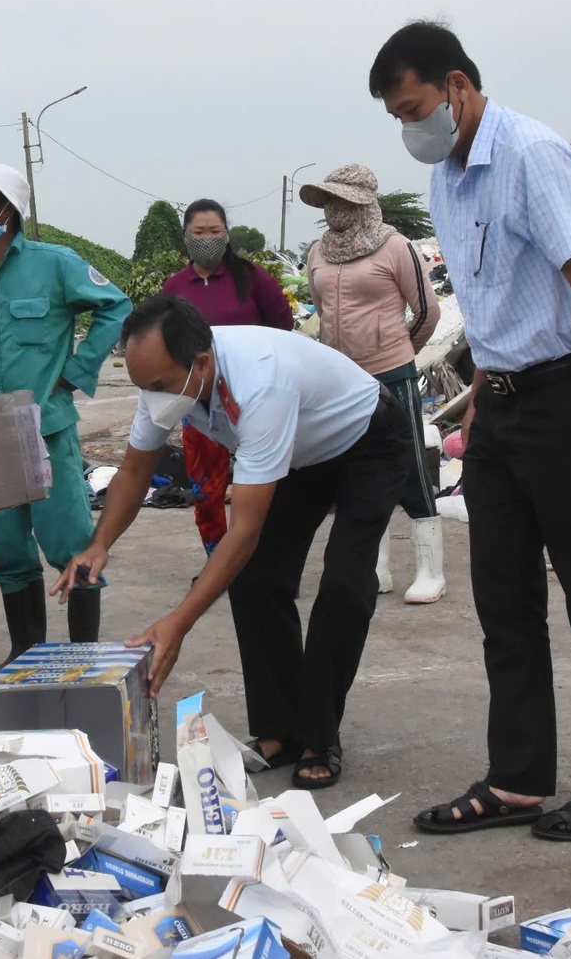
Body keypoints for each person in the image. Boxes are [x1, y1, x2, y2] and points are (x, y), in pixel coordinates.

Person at [370, 20, 571, 843]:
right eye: (396, 116)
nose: (410, 128)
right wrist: (483, 399)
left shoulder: (532, 154)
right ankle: (519, 780)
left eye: (416, 107)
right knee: (504, 599)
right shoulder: (448, 181)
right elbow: (497, 299)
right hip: (504, 406)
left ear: (457, 85)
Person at [54, 295, 417, 789]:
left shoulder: (260, 382)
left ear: (201, 362)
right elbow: (136, 468)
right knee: (256, 581)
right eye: (144, 388)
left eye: (159, 386)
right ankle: (280, 730)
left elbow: (242, 531)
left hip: (367, 439)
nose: (153, 398)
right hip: (300, 453)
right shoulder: (169, 382)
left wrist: (178, 622)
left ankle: (318, 735)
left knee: (344, 585)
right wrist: (100, 544)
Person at [0, 162, 132, 664]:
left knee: (73, 544)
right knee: (8, 555)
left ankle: (83, 657)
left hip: (44, 427)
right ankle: (26, 653)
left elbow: (117, 306)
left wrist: (77, 371)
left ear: (7, 207)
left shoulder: (54, 263)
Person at [300, 165, 446, 603]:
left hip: (392, 374)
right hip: (341, 381)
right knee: (355, 471)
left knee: (410, 465)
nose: (334, 210)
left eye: (342, 201)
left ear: (363, 202)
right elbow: (320, 311)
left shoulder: (396, 247)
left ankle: (430, 571)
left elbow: (427, 313)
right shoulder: (317, 254)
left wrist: (397, 349)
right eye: (329, 201)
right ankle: (373, 567)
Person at [161, 199, 296, 556]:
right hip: (200, 403)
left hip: (255, 399)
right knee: (207, 488)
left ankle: (270, 564)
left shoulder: (252, 279)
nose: (207, 239)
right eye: (198, 232)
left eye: (215, 232)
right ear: (185, 236)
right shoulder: (174, 287)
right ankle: (219, 562)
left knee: (263, 483)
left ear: (226, 234)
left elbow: (283, 326)